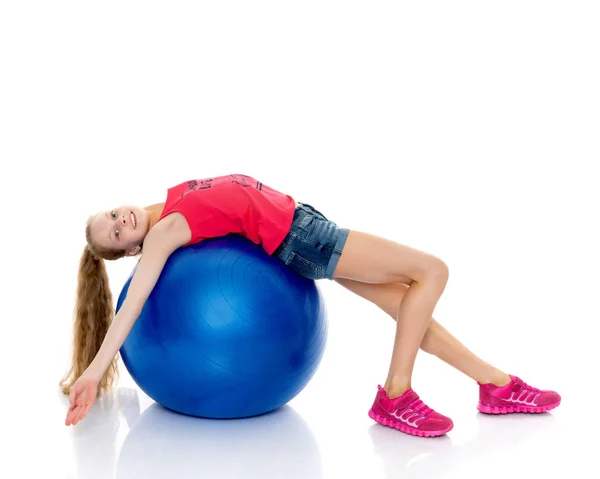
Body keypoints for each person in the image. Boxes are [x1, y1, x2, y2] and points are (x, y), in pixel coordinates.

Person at [61, 173, 561, 436]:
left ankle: (493, 385)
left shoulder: (166, 204)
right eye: (118, 233)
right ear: (130, 250)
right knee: (432, 271)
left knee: (412, 307)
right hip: (306, 239)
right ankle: (396, 396)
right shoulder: (163, 234)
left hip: (302, 227)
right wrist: (94, 370)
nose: (121, 220)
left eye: (112, 215)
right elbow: (135, 304)